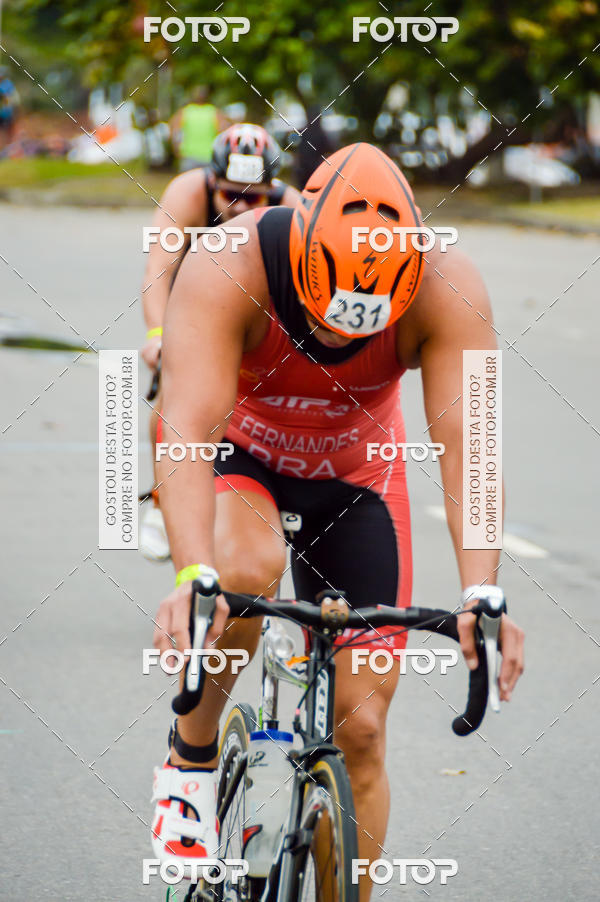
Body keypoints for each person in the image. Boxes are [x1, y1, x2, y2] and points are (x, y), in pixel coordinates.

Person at [149, 143, 525, 901]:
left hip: (356, 478)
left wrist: (483, 592)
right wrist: (194, 575)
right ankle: (191, 760)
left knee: (360, 731)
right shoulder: (231, 261)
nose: (337, 337)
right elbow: (184, 426)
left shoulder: (450, 283)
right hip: (241, 456)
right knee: (244, 572)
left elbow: (471, 447)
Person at [139, 123, 300, 561]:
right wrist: (158, 335)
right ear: (211, 182)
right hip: (194, 304)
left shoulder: (292, 206)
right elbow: (159, 270)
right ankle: (161, 498)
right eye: (230, 194)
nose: (241, 205)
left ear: (274, 190)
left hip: (256, 310)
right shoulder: (186, 194)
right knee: (175, 396)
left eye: (254, 197)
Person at [169, 85, 228, 171]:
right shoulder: (214, 112)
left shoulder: (185, 111)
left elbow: (174, 130)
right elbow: (223, 132)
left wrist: (176, 148)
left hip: (189, 155)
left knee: (187, 182)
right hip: (208, 156)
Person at [0, 67, 19, 151]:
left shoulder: (8, 85)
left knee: (7, 132)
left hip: (6, 113)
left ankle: (7, 149)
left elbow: (13, 101)